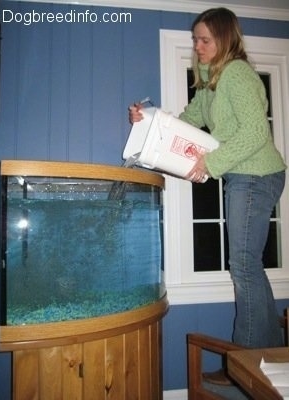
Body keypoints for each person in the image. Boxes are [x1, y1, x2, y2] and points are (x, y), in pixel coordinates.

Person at [129, 7, 287, 385]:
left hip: (257, 174)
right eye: (195, 39)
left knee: (243, 265)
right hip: (245, 175)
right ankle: (268, 355)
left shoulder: (238, 74)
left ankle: (242, 369)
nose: (197, 46)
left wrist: (211, 163)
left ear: (225, 39)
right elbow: (187, 119)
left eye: (204, 39)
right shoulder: (210, 81)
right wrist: (147, 119)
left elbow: (254, 133)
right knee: (249, 266)